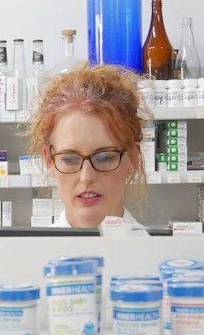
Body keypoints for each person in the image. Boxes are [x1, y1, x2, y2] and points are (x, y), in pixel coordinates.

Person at [27, 64, 152, 229]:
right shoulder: (33, 254)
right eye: (70, 160)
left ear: (132, 158)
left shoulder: (157, 253)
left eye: (105, 158)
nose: (86, 177)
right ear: (49, 162)